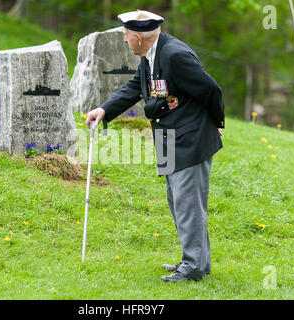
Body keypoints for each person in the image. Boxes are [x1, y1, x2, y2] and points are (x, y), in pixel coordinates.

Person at [85, 10, 225, 282]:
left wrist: (217, 121)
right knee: (178, 202)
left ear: (138, 37)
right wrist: (104, 110)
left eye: (126, 36)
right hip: (169, 137)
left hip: (189, 138)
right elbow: (137, 86)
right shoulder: (150, 55)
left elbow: (211, 89)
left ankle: (193, 267)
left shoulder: (174, 56)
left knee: (188, 205)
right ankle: (197, 261)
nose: (124, 41)